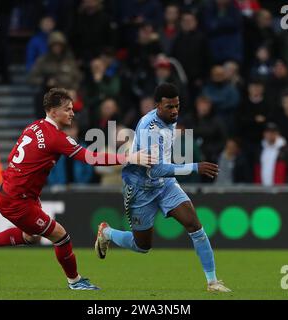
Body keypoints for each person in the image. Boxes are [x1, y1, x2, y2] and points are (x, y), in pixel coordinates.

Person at [0, 88, 154, 291]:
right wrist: (128, 158)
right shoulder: (56, 138)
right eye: (67, 109)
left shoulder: (34, 126)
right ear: (53, 112)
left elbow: (13, 158)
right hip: (17, 200)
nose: (72, 113)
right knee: (61, 236)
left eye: (72, 109)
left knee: (30, 237)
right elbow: (90, 158)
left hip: (14, 193)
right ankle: (75, 281)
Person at [94, 83, 231, 293]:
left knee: (194, 225)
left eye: (177, 105)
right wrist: (195, 166)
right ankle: (107, 233)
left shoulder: (169, 120)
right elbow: (154, 170)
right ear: (157, 105)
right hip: (140, 189)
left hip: (165, 185)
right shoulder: (150, 128)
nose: (175, 110)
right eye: (169, 107)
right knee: (142, 246)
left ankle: (213, 282)